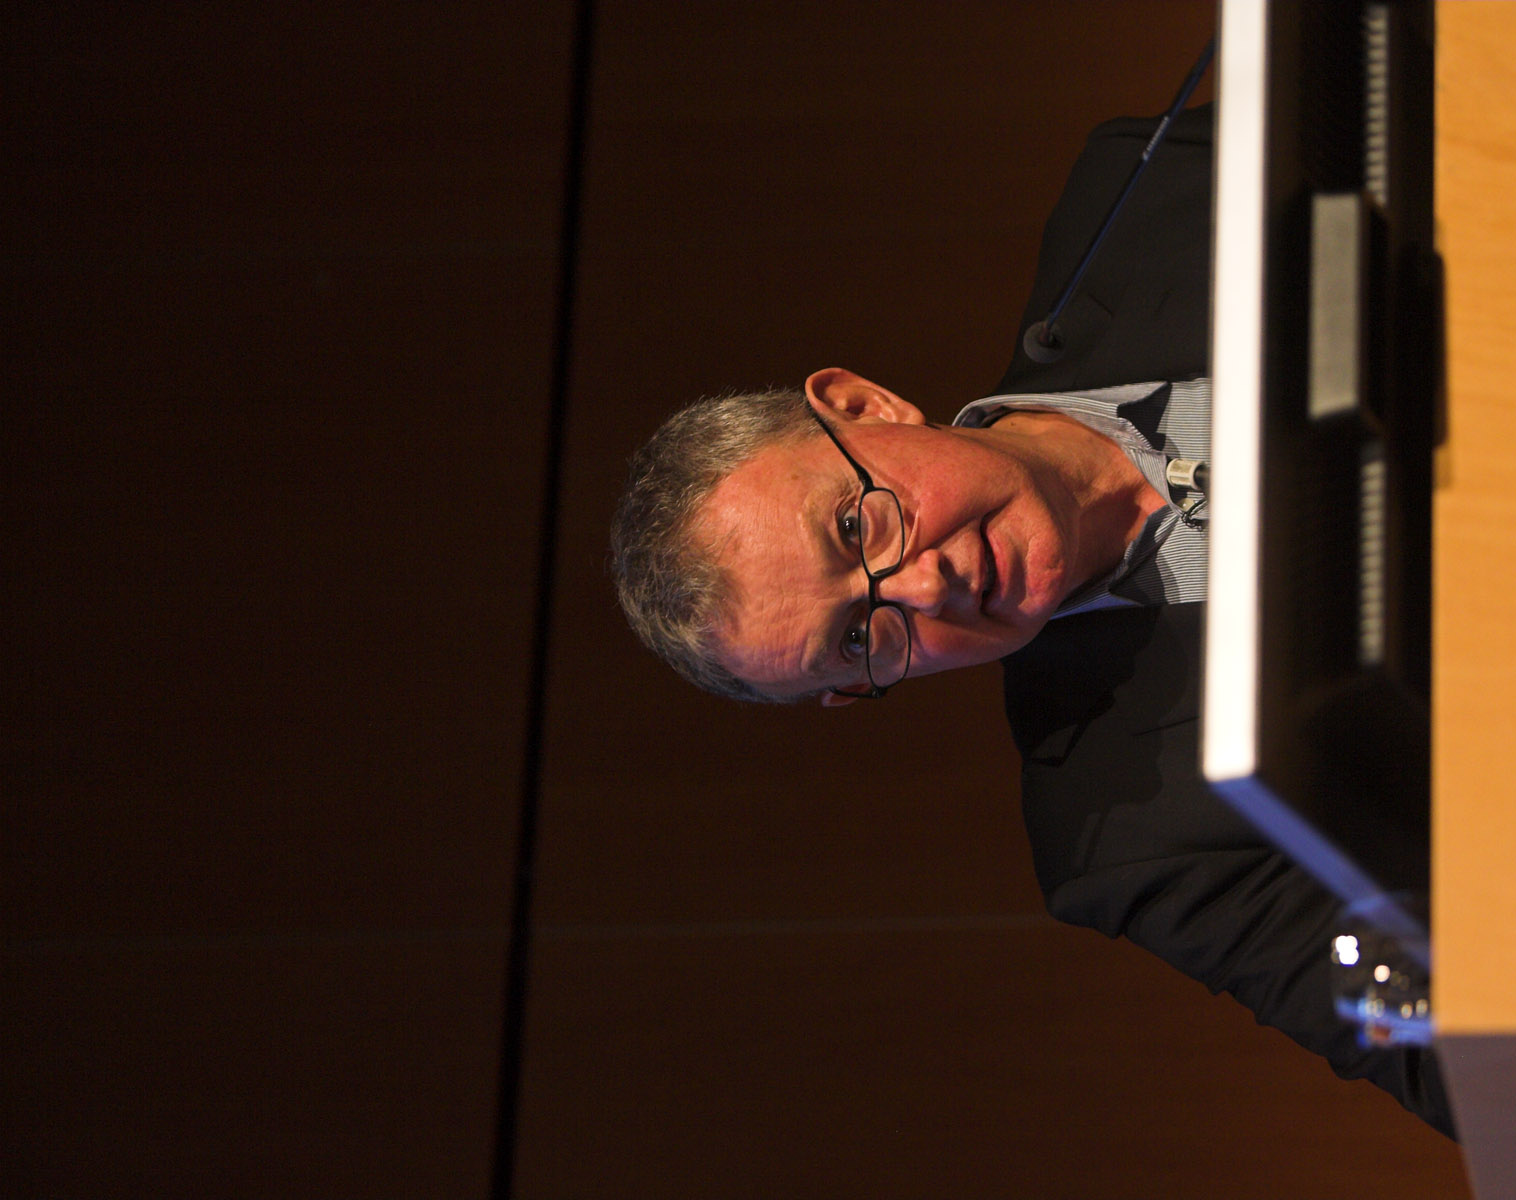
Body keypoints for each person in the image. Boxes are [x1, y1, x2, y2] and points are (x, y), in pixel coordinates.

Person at [611, 104, 1457, 1139]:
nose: (922, 589)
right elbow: (1468, 1057)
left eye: (858, 526)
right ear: (855, 694)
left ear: (865, 406)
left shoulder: (1144, 197)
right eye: (859, 638)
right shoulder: (1133, 842)